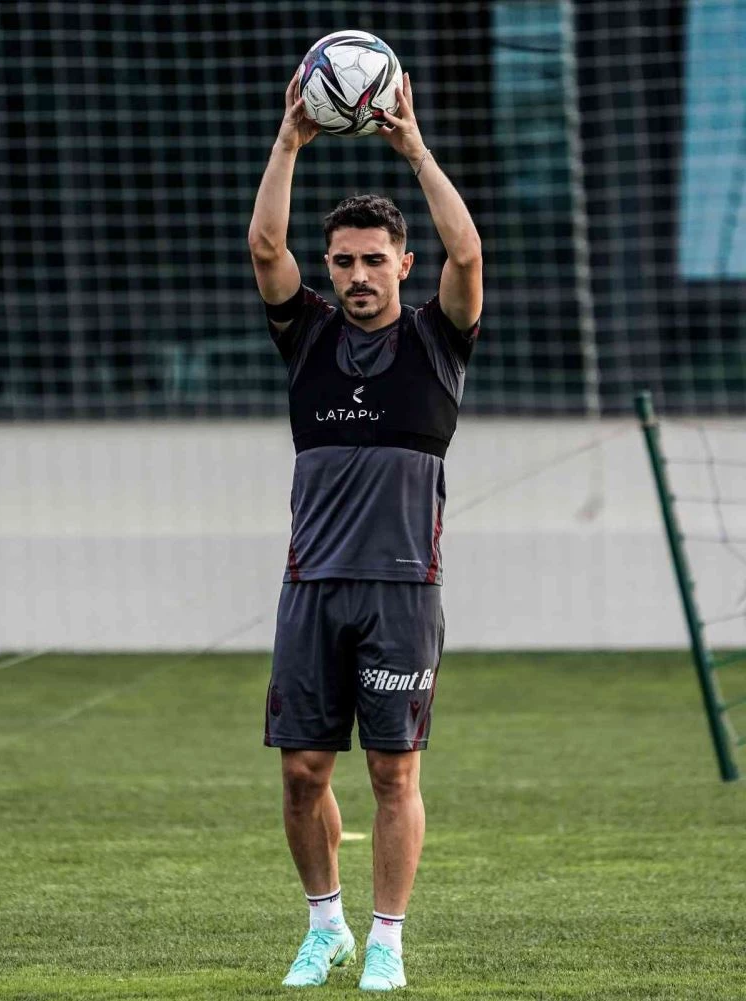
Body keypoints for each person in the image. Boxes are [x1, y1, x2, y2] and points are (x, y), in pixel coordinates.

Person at [248, 71, 482, 992]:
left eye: (373, 260)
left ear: (402, 264)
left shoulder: (437, 340)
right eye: (342, 260)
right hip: (311, 585)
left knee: (393, 773)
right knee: (303, 772)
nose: (356, 275)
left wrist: (413, 147)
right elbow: (266, 243)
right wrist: (289, 140)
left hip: (402, 590)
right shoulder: (306, 336)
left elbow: (469, 252)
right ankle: (326, 927)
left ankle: (387, 939)